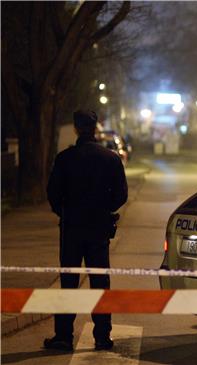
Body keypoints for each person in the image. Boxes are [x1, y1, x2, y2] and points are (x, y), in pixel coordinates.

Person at [45, 110, 128, 351]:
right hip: (99, 229)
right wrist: (104, 209)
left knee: (69, 282)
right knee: (100, 283)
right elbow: (121, 194)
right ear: (96, 128)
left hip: (71, 229)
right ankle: (102, 336)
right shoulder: (110, 159)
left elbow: (52, 193)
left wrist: (65, 212)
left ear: (76, 128)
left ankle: (63, 337)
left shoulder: (65, 158)